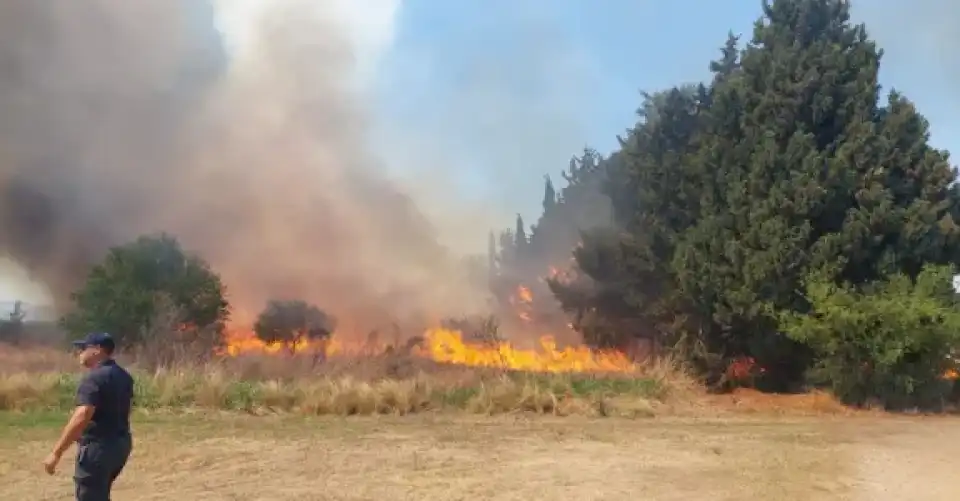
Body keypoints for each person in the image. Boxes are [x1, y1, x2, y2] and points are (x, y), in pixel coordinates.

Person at [43, 332, 135, 501]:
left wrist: (56, 453)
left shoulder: (93, 378)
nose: (79, 352)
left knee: (90, 496)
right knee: (100, 493)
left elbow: (83, 414)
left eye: (83, 348)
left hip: (98, 448)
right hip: (120, 444)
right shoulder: (123, 376)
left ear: (97, 350)